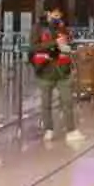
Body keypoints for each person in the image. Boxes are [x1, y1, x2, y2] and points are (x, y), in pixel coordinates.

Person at [30, 8, 84, 142]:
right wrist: (55, 43)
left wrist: (69, 44)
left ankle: (71, 130)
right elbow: (34, 47)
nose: (58, 17)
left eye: (60, 15)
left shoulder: (62, 27)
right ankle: (48, 129)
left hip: (63, 71)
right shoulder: (38, 28)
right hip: (45, 71)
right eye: (55, 15)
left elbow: (68, 44)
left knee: (67, 101)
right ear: (48, 13)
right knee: (46, 103)